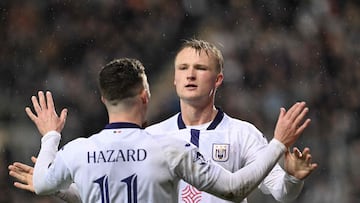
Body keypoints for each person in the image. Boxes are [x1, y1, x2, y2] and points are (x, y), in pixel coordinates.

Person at [8, 58, 311, 202]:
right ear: (145, 96)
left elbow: (46, 184)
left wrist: (51, 136)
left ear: (103, 99)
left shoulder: (79, 151)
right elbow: (233, 189)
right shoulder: (168, 149)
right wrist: (278, 143)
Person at [145, 39, 318, 203]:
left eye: (200, 68)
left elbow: (282, 193)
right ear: (174, 79)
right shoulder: (151, 136)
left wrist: (293, 178)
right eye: (183, 68)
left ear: (218, 79)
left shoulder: (243, 134)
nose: (190, 75)